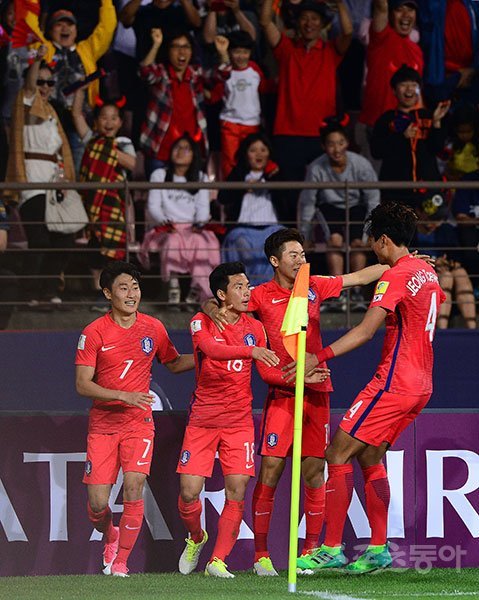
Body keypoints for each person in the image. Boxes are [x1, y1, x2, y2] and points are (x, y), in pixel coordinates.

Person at [204, 227, 392, 575]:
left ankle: (309, 554)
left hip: (317, 394)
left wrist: (403, 262)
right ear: (275, 260)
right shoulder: (260, 295)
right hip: (281, 395)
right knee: (271, 471)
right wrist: (209, 306)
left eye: (303, 254)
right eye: (293, 254)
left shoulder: (315, 285)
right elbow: (223, 303)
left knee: (313, 472)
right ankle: (262, 557)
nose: (301, 259)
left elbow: (362, 275)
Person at [306, 202, 445, 574]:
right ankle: (379, 548)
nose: (372, 249)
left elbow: (367, 330)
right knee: (368, 456)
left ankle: (332, 548)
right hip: (422, 384)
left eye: (373, 243)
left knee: (335, 453)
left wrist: (317, 357)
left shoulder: (397, 276)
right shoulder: (427, 272)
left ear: (384, 240)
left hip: (394, 382)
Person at [75, 260, 194, 577]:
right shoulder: (94, 333)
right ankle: (110, 534)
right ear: (107, 293)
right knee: (98, 505)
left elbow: (173, 362)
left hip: (138, 425)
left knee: (133, 486)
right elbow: (82, 384)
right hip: (103, 427)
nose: (131, 294)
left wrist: (207, 356)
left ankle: (122, 562)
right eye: (123, 288)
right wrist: (122, 396)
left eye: (136, 287)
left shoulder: (153, 328)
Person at [177, 261, 288, 578]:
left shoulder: (255, 328)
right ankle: (196, 538)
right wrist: (249, 353)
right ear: (222, 293)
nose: (247, 291)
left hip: (238, 423)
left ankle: (217, 561)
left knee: (236, 489)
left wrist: (301, 378)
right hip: (203, 421)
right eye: (239, 287)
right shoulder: (202, 322)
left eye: (248, 285)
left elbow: (267, 370)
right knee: (188, 492)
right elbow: (211, 350)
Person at [260, 0, 352, 222]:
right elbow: (265, 21)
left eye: (314, 18)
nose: (309, 23)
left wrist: (339, 4)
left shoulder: (331, 51)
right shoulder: (287, 49)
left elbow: (348, 31)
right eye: (304, 18)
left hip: (320, 136)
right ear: (297, 22)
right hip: (287, 134)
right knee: (290, 195)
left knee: (321, 195)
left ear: (322, 24)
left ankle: (317, 249)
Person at [5, 45, 76, 306]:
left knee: (64, 239)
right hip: (31, 182)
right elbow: (29, 88)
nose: (45, 86)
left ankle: (49, 289)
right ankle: (29, 293)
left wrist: (64, 180)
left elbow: (60, 150)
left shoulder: (52, 112)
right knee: (40, 238)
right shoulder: (24, 105)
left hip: (54, 184)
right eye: (41, 81)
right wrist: (36, 59)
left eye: (50, 82)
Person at [299, 116, 380, 311]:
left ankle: (357, 294)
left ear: (347, 143)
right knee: (334, 240)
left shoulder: (360, 164)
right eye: (331, 145)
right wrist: (304, 235)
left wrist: (368, 231)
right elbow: (308, 201)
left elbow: (372, 197)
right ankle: (338, 294)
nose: (336, 149)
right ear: (324, 146)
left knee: (357, 244)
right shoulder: (317, 167)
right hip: (330, 207)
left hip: (357, 207)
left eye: (340, 143)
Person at [28, 3, 117, 169]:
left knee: (77, 170)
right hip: (48, 122)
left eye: (69, 24)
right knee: (48, 169)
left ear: (76, 30)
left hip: (81, 122)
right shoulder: (43, 49)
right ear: (50, 30)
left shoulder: (87, 50)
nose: (65, 28)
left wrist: (105, 2)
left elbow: (107, 27)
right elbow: (30, 23)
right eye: (59, 24)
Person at [138, 133, 221, 308]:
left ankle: (197, 290)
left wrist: (198, 225)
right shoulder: (159, 175)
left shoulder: (200, 177)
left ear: (194, 155)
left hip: (192, 228)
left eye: (186, 149)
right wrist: (166, 224)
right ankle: (172, 285)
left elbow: (203, 210)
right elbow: (153, 206)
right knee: (173, 240)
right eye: (177, 148)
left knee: (202, 241)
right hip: (166, 227)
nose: (181, 152)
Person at [73, 87, 137, 307]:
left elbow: (133, 164)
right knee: (94, 251)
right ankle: (98, 292)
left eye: (113, 118)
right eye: (103, 118)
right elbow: (76, 116)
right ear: (96, 122)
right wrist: (82, 90)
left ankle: (114, 296)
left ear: (120, 122)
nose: (108, 122)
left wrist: (109, 149)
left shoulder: (123, 143)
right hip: (93, 208)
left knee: (113, 254)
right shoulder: (92, 140)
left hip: (114, 207)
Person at [370, 65, 450, 206]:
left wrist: (437, 123)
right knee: (399, 227)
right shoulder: (386, 119)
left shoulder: (429, 116)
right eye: (404, 85)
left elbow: (436, 149)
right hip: (396, 191)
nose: (409, 89)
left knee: (429, 226)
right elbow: (376, 151)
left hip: (428, 190)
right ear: (394, 90)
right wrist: (401, 137)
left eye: (414, 85)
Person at [139, 28, 209, 177]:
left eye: (185, 47)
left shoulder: (196, 75)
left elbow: (221, 74)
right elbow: (145, 71)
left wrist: (223, 54)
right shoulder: (162, 74)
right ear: (168, 51)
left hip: (190, 154)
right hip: (160, 152)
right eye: (176, 47)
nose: (181, 52)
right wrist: (156, 44)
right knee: (158, 198)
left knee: (189, 198)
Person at [217, 132, 283, 286]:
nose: (258, 154)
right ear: (246, 154)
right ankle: (247, 289)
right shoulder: (239, 173)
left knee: (278, 249)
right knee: (241, 245)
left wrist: (271, 180)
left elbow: (289, 199)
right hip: (243, 228)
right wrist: (244, 188)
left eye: (263, 150)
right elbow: (223, 197)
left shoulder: (277, 173)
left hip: (273, 227)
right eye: (253, 150)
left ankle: (268, 290)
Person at [359, 0, 423, 132]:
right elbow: (381, 6)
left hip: (409, 128)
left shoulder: (417, 51)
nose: (406, 15)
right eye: (399, 10)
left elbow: (418, 92)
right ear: (390, 14)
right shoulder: (381, 38)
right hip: (380, 126)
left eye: (410, 10)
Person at [213, 32, 268, 179]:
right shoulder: (224, 72)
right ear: (229, 52)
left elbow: (264, 90)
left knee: (251, 159)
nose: (241, 56)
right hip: (230, 122)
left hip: (252, 123)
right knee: (230, 160)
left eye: (245, 52)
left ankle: (250, 193)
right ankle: (230, 196)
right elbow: (214, 96)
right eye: (237, 52)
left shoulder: (255, 69)